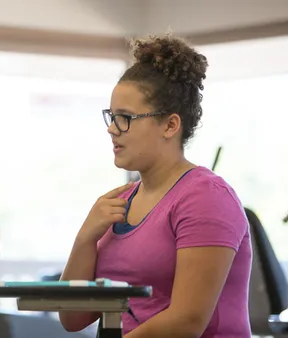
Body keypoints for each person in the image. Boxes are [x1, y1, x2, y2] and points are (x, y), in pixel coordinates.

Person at [59, 34, 252, 337]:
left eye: (125, 118)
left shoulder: (206, 197)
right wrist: (85, 238)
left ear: (170, 125)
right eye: (111, 116)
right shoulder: (119, 202)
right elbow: (73, 318)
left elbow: (186, 321)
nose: (112, 129)